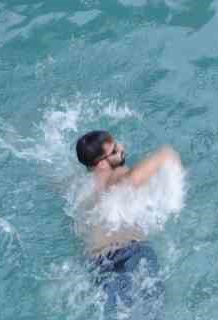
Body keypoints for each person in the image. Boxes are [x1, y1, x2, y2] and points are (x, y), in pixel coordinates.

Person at [74, 131, 180, 320]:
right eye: (115, 149)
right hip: (129, 255)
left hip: (98, 264)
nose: (121, 148)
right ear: (101, 163)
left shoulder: (81, 188)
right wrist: (166, 153)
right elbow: (131, 178)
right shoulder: (113, 177)